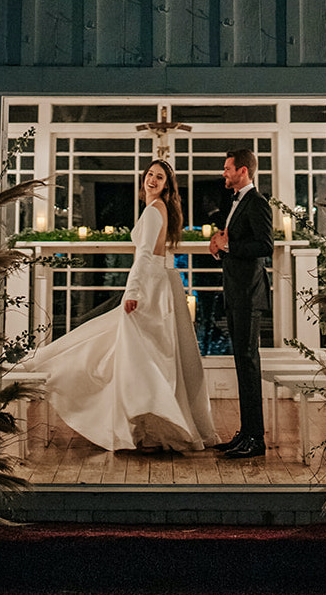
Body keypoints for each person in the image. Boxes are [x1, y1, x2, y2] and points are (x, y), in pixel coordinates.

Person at [29, 160, 216, 452]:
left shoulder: (155, 211)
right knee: (144, 353)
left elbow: (143, 256)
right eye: (150, 175)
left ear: (167, 185)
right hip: (159, 284)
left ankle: (145, 424)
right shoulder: (157, 208)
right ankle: (145, 426)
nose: (152, 180)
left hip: (150, 287)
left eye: (160, 177)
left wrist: (133, 292)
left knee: (141, 354)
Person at [209, 148, 273, 458]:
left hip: (249, 294)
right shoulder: (235, 202)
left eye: (227, 168)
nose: (224, 173)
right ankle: (246, 433)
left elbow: (264, 245)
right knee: (241, 364)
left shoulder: (257, 202)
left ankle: (256, 439)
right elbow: (232, 241)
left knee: (248, 364)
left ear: (243, 171)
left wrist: (229, 244)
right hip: (236, 293)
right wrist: (220, 245)